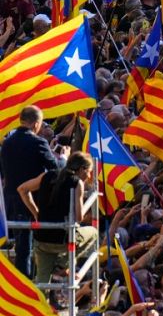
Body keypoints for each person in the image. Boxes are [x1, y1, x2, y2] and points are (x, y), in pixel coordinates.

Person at [18, 150, 95, 289]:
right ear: (82, 169)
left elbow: (22, 189)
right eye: (89, 171)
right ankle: (63, 264)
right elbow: (79, 217)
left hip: (42, 238)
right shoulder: (77, 183)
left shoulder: (47, 176)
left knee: (42, 282)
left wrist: (36, 213)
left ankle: (40, 309)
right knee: (93, 232)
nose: (89, 176)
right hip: (64, 240)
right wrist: (87, 204)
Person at [2, 106, 62, 278]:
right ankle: (26, 286)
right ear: (36, 124)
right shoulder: (38, 142)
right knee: (25, 248)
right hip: (30, 201)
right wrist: (63, 158)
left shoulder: (7, 143)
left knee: (18, 246)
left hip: (9, 201)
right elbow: (55, 169)